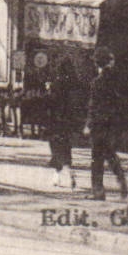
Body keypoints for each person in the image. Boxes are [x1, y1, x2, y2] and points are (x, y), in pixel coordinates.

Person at [85, 47, 128, 200]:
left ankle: (98, 191)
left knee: (96, 158)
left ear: (97, 63)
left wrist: (89, 124)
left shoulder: (97, 82)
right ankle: (123, 183)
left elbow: (94, 106)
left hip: (99, 124)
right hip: (112, 124)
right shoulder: (117, 81)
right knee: (110, 154)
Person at [45, 57, 85, 190]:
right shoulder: (76, 84)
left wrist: (48, 89)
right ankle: (70, 172)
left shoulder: (57, 83)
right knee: (66, 146)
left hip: (56, 120)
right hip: (69, 121)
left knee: (56, 146)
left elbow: (51, 102)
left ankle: (57, 174)